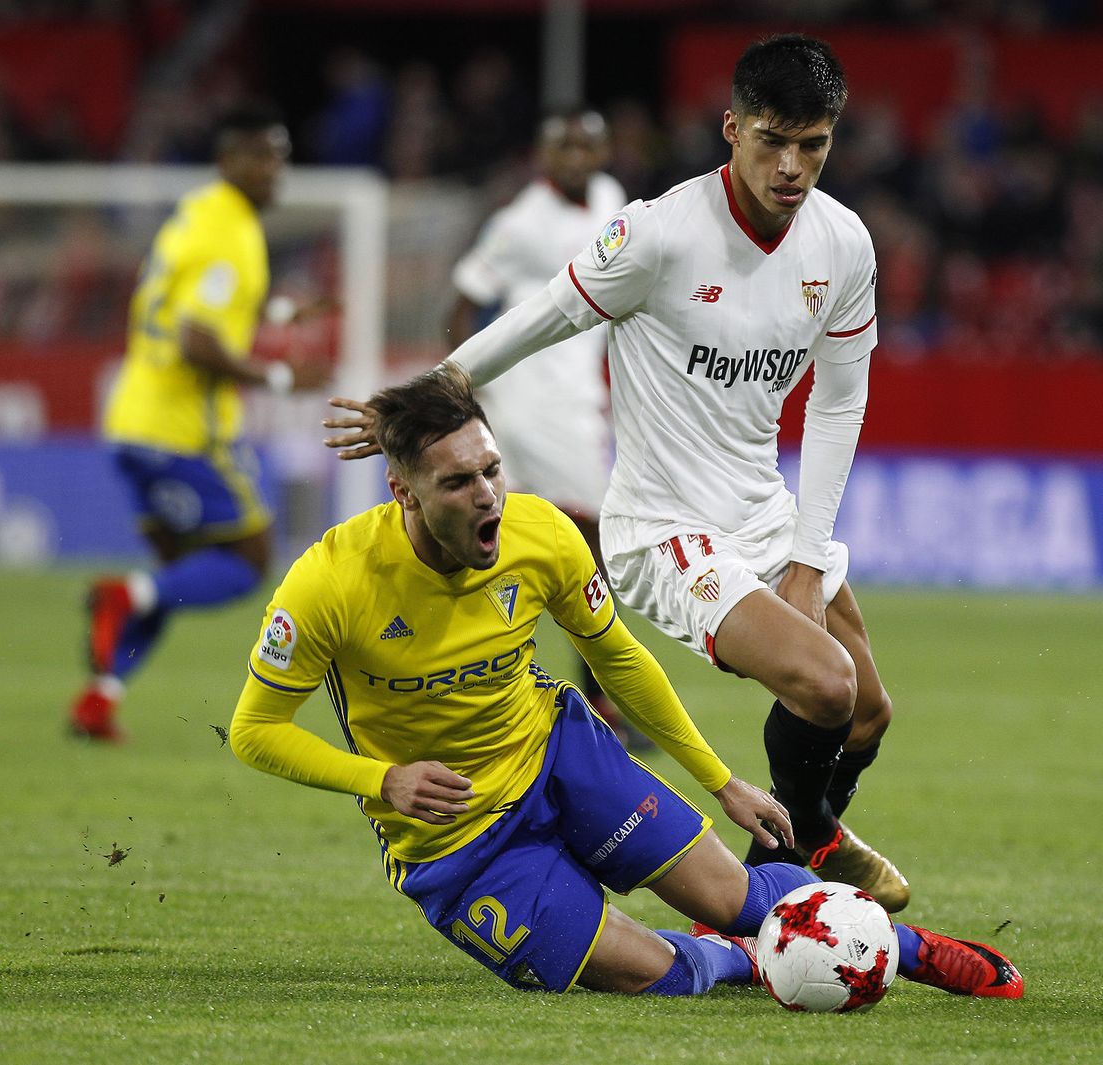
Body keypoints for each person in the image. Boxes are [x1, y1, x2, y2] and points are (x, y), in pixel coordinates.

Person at [326, 35, 910, 910]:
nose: (792, 167)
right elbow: (547, 313)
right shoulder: (660, 233)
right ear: (731, 128)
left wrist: (804, 552)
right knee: (824, 685)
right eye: (771, 140)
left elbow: (837, 403)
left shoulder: (843, 244)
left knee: (868, 710)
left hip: (762, 508)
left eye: (814, 144)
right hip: (664, 527)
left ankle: (808, 837)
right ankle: (786, 874)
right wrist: (434, 389)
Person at [234, 366, 1021, 998]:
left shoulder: (540, 534)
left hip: (559, 757)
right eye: (459, 483)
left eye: (493, 469)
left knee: (735, 898)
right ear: (402, 491)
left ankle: (909, 949)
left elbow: (618, 657)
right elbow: (254, 731)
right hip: (456, 842)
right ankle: (754, 961)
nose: (489, 496)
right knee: (656, 974)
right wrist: (384, 778)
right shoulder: (329, 583)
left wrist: (721, 780)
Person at [67, 101, 325, 740]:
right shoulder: (232, 234)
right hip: (184, 431)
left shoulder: (197, 215)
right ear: (227, 159)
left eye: (280, 156)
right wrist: (283, 378)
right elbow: (196, 339)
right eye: (259, 156)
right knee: (248, 558)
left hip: (131, 421)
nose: (273, 171)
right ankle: (123, 597)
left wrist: (281, 312)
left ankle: (99, 699)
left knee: (173, 578)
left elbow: (208, 302)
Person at [447, 107, 650, 750]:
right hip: (531, 404)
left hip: (578, 398)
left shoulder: (613, 201)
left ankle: (485, 687)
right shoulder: (521, 224)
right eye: (561, 144)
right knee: (591, 544)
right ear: (541, 153)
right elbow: (462, 303)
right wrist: (466, 394)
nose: (575, 156)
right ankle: (601, 700)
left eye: (587, 143)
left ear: (603, 151)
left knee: (504, 539)